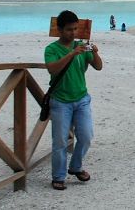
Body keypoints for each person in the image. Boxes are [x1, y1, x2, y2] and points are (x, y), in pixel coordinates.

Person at [44, 10, 103, 191]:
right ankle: (58, 176)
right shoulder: (52, 49)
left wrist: (96, 52)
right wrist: (72, 53)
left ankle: (75, 166)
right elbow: (52, 69)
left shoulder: (81, 47)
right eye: (69, 30)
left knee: (85, 137)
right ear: (60, 29)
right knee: (60, 141)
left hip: (81, 98)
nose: (73, 33)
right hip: (61, 100)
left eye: (76, 29)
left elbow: (98, 67)